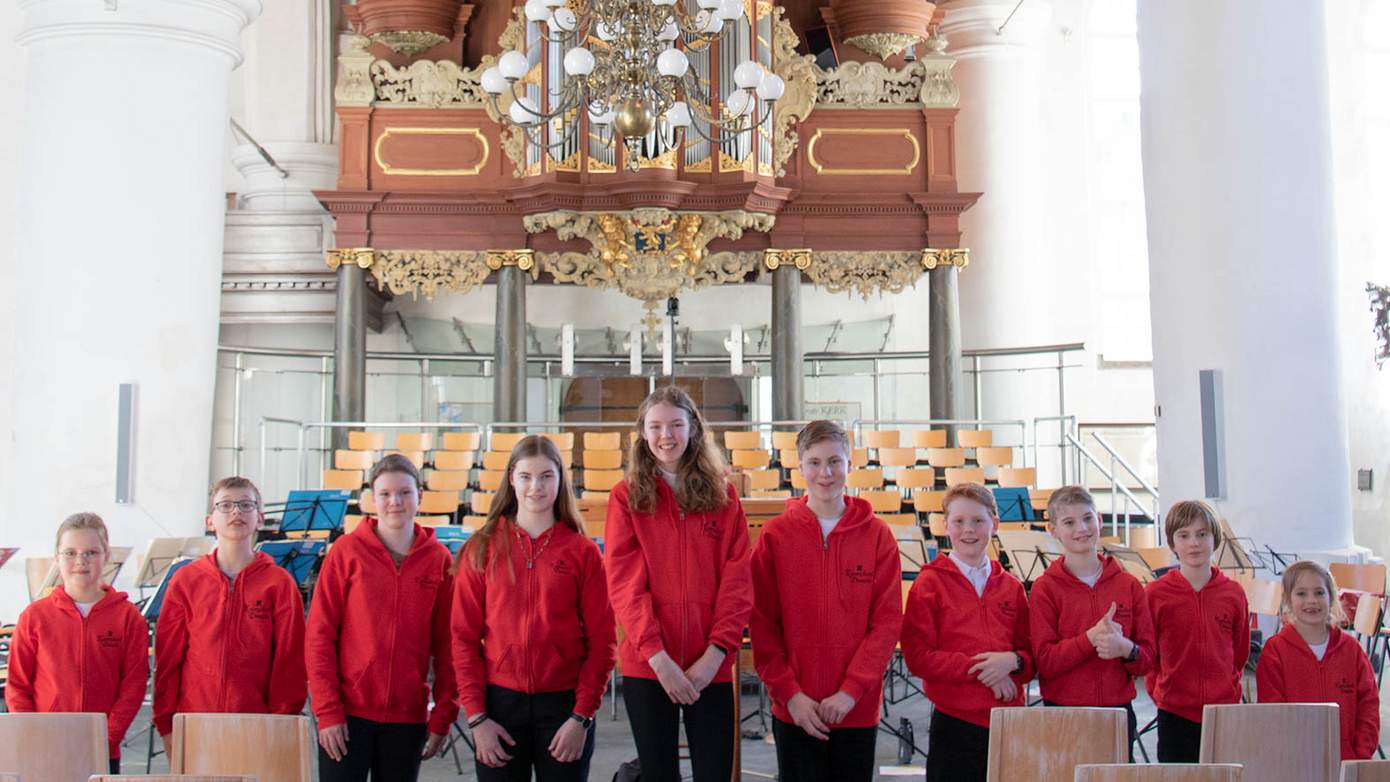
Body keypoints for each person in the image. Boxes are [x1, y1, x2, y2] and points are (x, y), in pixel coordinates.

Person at [604, 386, 753, 782]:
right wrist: (658, 658)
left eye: (675, 425)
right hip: (649, 665)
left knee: (715, 773)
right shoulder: (625, 497)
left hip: (711, 665)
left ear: (693, 429)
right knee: (658, 774)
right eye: (655, 427)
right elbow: (624, 585)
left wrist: (716, 653)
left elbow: (737, 581)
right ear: (642, 434)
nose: (665, 436)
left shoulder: (724, 495)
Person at [452, 435, 617, 781]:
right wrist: (477, 718)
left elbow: (603, 643)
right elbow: (463, 639)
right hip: (498, 708)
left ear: (561, 479)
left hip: (564, 709)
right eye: (526, 476)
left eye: (546, 476)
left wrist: (581, 717)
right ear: (511, 478)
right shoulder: (481, 549)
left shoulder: (582, 553)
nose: (536, 487)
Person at [750, 420, 902, 782]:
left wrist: (851, 692)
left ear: (850, 464)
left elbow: (886, 624)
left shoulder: (878, 535)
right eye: (815, 463)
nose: (826, 473)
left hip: (856, 708)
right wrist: (791, 695)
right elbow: (762, 624)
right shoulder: (775, 537)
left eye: (835, 461)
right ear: (799, 467)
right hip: (796, 709)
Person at [306, 454, 458, 781]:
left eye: (404, 492)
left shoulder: (439, 560)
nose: (395, 502)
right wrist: (327, 712)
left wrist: (443, 715)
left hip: (407, 718)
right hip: (347, 716)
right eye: (385, 494)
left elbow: (448, 647)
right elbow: (319, 637)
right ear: (371, 499)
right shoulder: (346, 553)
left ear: (420, 495)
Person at [153, 476, 307, 757]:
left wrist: (281, 721)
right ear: (210, 521)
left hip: (258, 725)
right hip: (195, 723)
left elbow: (290, 660)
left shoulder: (279, 583)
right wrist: (166, 724)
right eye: (225, 506)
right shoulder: (186, 581)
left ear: (260, 518)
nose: (236, 512)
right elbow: (168, 660)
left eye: (245, 505)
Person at [901, 483, 1033, 782]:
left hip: (1008, 722)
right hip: (954, 724)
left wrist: (1013, 662)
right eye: (959, 521)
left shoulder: (1011, 587)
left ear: (995, 524)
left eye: (978, 521)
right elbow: (918, 658)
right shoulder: (928, 584)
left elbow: (1030, 656)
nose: (968, 530)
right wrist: (986, 668)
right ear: (945, 525)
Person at [5, 512, 149, 774]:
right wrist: (35, 736)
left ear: (106, 555)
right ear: (57, 558)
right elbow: (17, 687)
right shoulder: (34, 617)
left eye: (91, 552)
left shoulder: (128, 618)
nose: (80, 561)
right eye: (70, 553)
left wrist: (105, 740)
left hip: (102, 751)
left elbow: (133, 686)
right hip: (44, 749)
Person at [1028, 485, 1154, 759]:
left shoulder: (1129, 585)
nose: (1081, 528)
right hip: (1065, 712)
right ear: (1053, 530)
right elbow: (1044, 662)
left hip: (1118, 711)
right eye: (1069, 522)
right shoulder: (1045, 589)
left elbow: (1148, 659)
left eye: (1087, 518)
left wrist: (1126, 649)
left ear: (1099, 520)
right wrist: (1089, 640)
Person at [1145, 499, 1249, 763]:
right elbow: (1150, 655)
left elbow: (1240, 652)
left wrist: (1224, 687)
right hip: (1174, 711)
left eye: (1202, 534)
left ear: (1215, 539)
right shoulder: (1156, 594)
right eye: (1184, 535)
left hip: (1222, 711)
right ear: (1172, 543)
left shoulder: (1233, 593)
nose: (1194, 543)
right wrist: (1162, 691)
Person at [1256, 560, 1379, 760]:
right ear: (1287, 599)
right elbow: (1272, 714)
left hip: (1347, 763)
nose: (1311, 600)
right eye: (1301, 593)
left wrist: (1359, 755)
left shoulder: (1352, 650)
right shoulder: (1275, 651)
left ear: (1331, 597)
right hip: (1295, 764)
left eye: (1319, 592)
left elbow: (1369, 707)